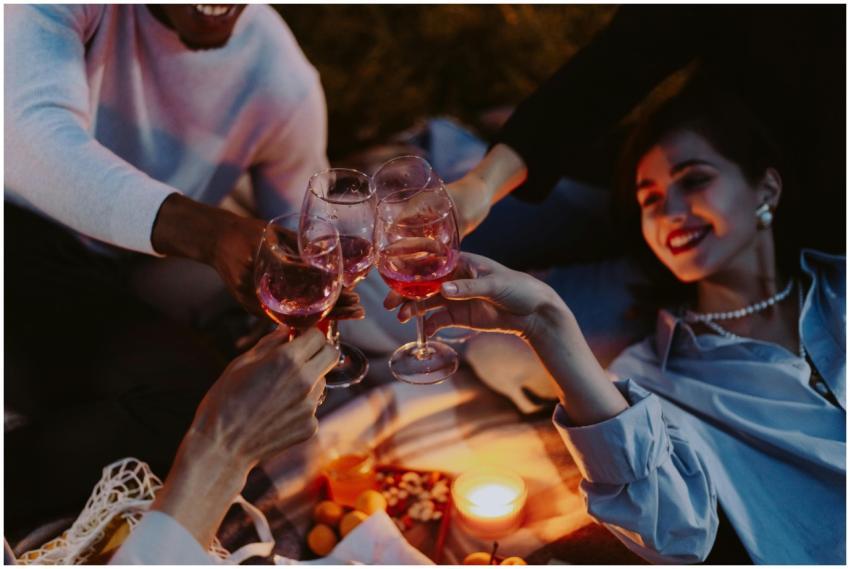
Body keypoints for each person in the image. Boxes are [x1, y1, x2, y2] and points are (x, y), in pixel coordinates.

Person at [388, 87, 846, 563]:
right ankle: (440, 141)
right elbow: (671, 532)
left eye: (694, 181)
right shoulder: (654, 378)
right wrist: (546, 323)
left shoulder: (839, 285)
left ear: (766, 188)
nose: (668, 212)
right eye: (649, 200)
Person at [3, 4, 337, 536]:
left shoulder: (282, 83)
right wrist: (208, 233)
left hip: (98, 280)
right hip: (11, 229)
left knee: (200, 409)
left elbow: (311, 235)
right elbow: (23, 137)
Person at [450, 5, 844, 254]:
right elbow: (628, 54)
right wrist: (483, 183)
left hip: (772, 279)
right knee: (437, 251)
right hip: (652, 179)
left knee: (502, 342)